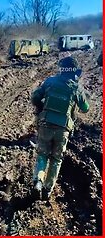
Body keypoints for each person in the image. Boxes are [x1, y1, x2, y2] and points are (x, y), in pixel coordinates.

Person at [31, 56, 90, 200]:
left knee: (42, 154)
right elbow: (85, 108)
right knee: (56, 159)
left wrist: (41, 106)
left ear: (61, 68)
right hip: (63, 128)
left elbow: (35, 97)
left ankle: (38, 180)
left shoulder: (50, 81)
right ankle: (47, 190)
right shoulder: (76, 87)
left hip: (45, 124)